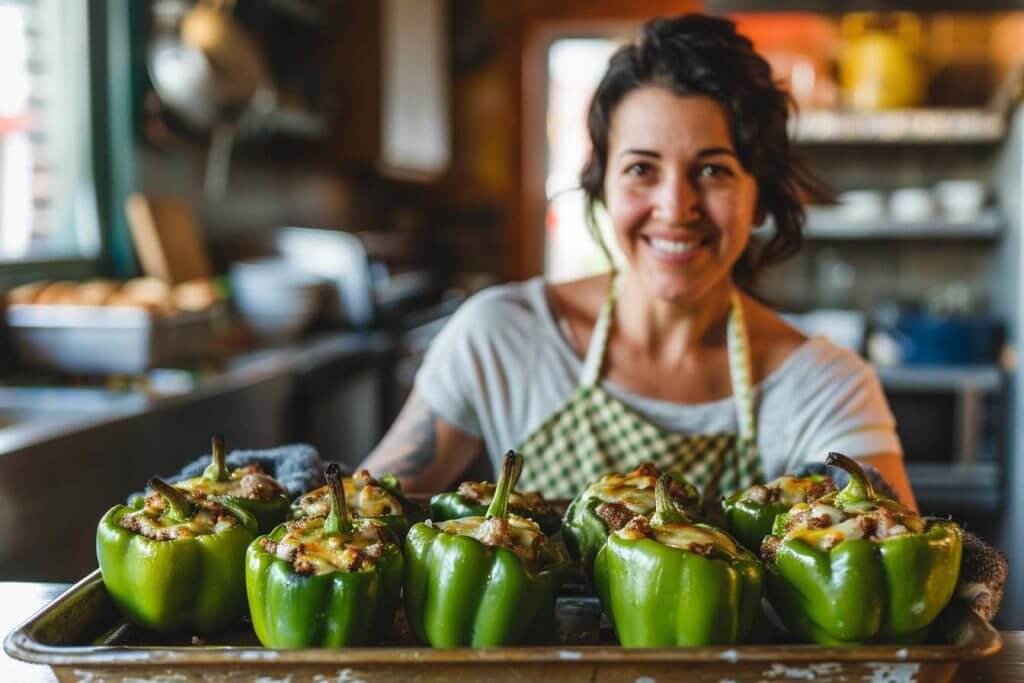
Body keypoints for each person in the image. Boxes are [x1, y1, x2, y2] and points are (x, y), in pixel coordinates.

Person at [361, 13, 916, 508]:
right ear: (601, 185)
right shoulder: (504, 337)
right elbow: (357, 519)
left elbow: (894, 560)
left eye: (713, 169)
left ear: (759, 193)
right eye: (640, 169)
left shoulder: (824, 388)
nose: (675, 207)